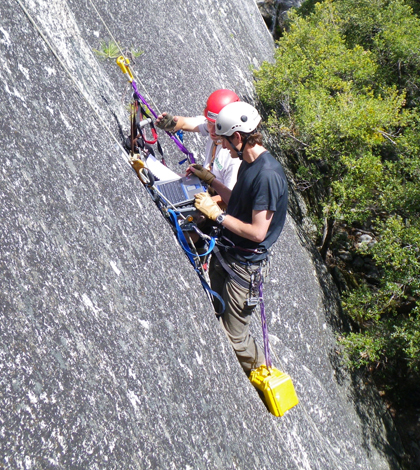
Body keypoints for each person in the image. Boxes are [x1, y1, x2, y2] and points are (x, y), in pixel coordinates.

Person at [193, 102, 289, 376]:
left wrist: (217, 216)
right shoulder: (248, 162)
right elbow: (240, 204)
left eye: (224, 141)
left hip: (244, 268)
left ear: (238, 137)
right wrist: (212, 181)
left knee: (235, 336)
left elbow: (258, 231)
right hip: (228, 255)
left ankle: (264, 376)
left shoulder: (268, 175)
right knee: (214, 307)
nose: (222, 147)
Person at [155, 89, 242, 190]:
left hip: (212, 199)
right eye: (209, 123)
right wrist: (172, 124)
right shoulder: (215, 128)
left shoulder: (234, 159)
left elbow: (229, 199)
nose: (212, 131)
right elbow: (185, 123)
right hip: (202, 187)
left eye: (218, 126)